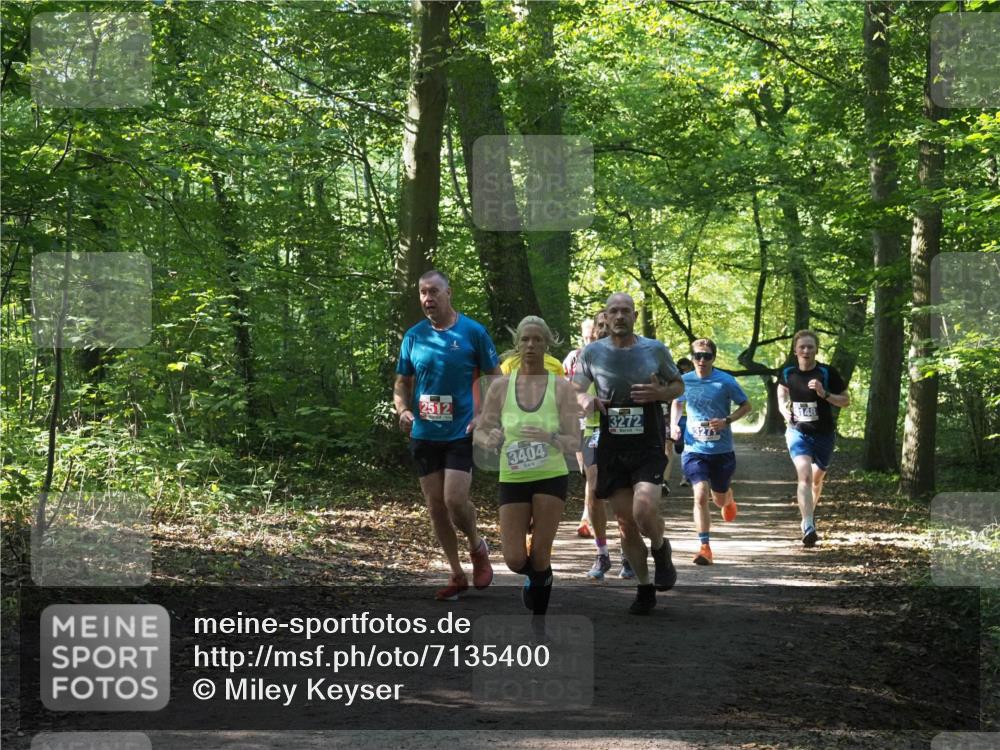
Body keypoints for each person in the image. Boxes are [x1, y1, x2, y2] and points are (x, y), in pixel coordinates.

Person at [573, 292, 684, 615]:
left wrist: (660, 392)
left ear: (635, 315)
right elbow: (577, 387)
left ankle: (661, 549)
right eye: (613, 311)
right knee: (625, 523)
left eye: (625, 311)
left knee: (644, 510)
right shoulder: (592, 353)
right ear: (605, 318)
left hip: (647, 443)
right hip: (612, 445)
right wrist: (586, 401)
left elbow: (679, 385)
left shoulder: (654, 350)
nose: (619, 316)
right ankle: (645, 587)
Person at [394, 270, 501, 600]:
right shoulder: (413, 336)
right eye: (423, 293)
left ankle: (476, 545)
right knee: (435, 506)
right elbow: (403, 383)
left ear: (448, 293)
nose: (428, 299)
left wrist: (485, 415)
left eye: (434, 292)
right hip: (425, 432)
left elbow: (496, 378)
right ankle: (456, 574)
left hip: (460, 430)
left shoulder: (473, 332)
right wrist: (402, 410)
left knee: (454, 500)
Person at [474, 316, 579, 615]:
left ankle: (539, 626)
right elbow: (481, 431)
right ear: (517, 345)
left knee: (541, 553)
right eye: (525, 339)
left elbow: (574, 441)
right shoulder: (500, 387)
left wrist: (551, 437)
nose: (531, 345)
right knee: (515, 559)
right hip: (513, 476)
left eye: (537, 340)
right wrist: (489, 437)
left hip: (551, 475)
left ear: (547, 345)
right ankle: (536, 577)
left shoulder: (561, 388)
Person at [670, 340, 752, 565]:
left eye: (707, 356)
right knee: (699, 494)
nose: (702, 360)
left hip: (722, 450)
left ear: (713, 358)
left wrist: (727, 420)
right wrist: (674, 425)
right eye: (697, 356)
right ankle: (704, 547)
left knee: (718, 499)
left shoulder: (725, 381)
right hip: (694, 448)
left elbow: (746, 406)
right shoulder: (684, 381)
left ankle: (728, 499)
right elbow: (677, 403)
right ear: (692, 357)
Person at [777, 330, 850, 548]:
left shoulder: (827, 373)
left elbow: (846, 400)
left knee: (817, 480)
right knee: (805, 477)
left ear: (816, 349)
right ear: (795, 350)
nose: (806, 350)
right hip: (797, 432)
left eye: (810, 347)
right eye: (802, 347)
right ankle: (808, 525)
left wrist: (824, 394)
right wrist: (783, 410)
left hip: (824, 434)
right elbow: (781, 391)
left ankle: (808, 514)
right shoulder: (788, 372)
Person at [564, 318, 597, 539]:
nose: (590, 339)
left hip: (602, 421)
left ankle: (587, 517)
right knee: (587, 471)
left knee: (595, 471)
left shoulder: (608, 355)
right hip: (579, 422)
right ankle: (593, 510)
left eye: (593, 335)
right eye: (586, 336)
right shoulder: (572, 358)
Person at [672, 357, 695, 487]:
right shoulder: (677, 378)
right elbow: (675, 400)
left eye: (686, 367)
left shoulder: (696, 378)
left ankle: (686, 476)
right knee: (679, 446)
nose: (684, 369)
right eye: (682, 367)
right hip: (680, 417)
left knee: (689, 446)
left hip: (692, 418)